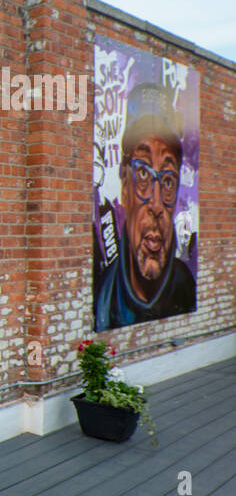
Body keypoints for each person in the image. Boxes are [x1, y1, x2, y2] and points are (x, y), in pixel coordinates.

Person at [94, 83, 195, 330]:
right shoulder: (104, 297)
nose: (156, 204)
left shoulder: (187, 288)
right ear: (124, 186)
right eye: (142, 174)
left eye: (168, 180)